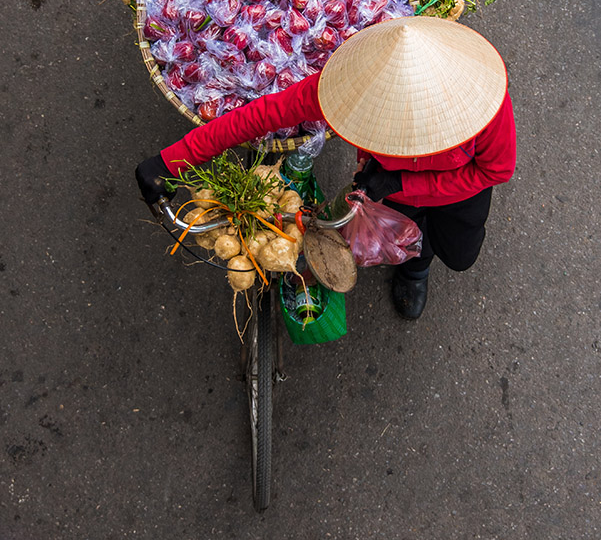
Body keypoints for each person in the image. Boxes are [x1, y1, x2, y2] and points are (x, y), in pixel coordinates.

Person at [136, 17, 516, 320]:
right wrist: (171, 161)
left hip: (459, 189)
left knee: (460, 255)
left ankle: (424, 260)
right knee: (406, 236)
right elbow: (262, 115)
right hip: (385, 187)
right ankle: (414, 271)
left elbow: (493, 172)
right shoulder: (354, 83)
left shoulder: (482, 105)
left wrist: (402, 180)